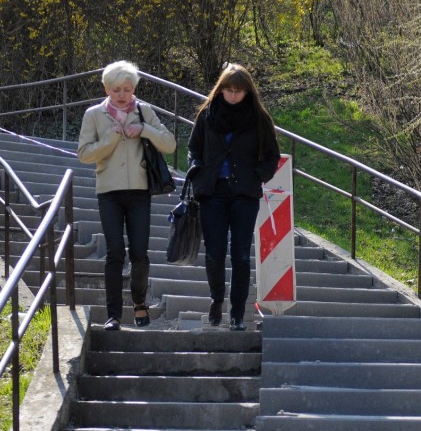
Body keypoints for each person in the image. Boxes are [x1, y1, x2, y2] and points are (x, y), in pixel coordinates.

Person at [78, 60, 176, 331]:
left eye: (127, 89)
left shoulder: (144, 111)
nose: (122, 95)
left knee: (140, 253)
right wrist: (110, 139)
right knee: (114, 253)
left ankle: (140, 303)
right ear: (106, 89)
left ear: (134, 88)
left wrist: (144, 129)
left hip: (139, 192)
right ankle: (114, 315)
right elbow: (84, 154)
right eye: (116, 89)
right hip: (108, 192)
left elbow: (169, 144)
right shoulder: (94, 114)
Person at [186, 63, 281, 331]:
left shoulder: (258, 118)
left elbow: (272, 155)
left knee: (240, 255)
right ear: (221, 89)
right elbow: (193, 149)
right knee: (214, 254)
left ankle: (238, 313)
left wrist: (259, 175)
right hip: (212, 193)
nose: (233, 95)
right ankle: (217, 300)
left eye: (239, 91)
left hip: (244, 194)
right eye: (229, 89)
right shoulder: (207, 114)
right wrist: (197, 172)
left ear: (248, 91)